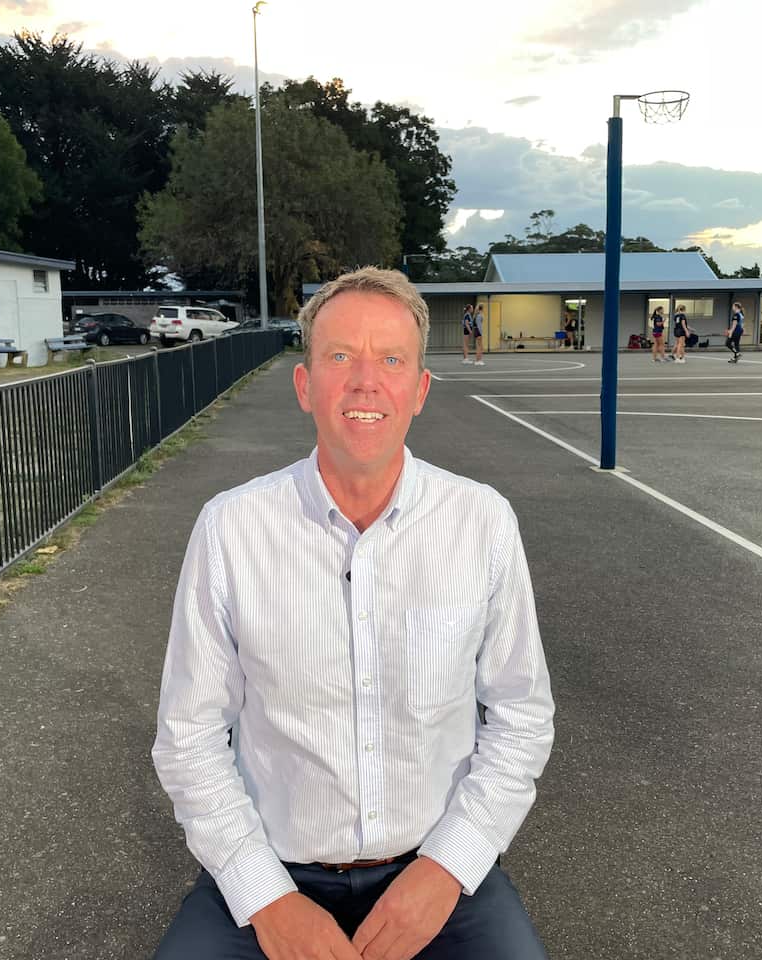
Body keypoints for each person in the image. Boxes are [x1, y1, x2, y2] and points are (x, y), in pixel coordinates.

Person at [152, 266, 555, 960]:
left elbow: (522, 715)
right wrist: (268, 898)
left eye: (392, 360)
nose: (366, 382)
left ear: (419, 390)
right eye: (340, 357)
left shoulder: (481, 522)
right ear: (306, 385)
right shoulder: (231, 529)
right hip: (274, 869)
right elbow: (188, 738)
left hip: (435, 870)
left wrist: (447, 868)